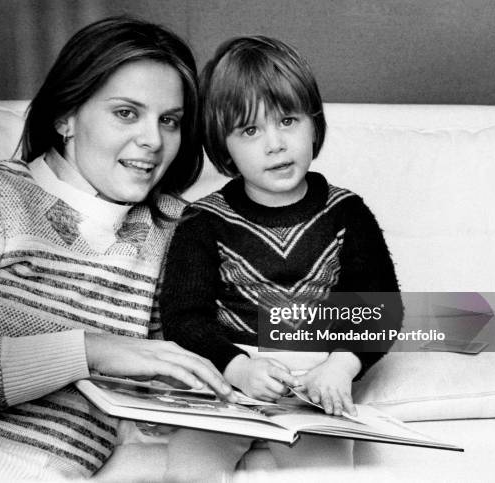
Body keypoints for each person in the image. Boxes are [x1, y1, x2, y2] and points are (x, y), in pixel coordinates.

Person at [0, 16, 236, 481]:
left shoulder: (176, 230)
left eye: (170, 121)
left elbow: (178, 376)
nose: (154, 141)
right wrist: (88, 350)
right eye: (126, 113)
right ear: (66, 116)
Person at [160, 36, 403, 480]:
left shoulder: (346, 212)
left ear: (314, 124)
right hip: (228, 382)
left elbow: (380, 308)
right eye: (250, 130)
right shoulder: (204, 220)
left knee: (324, 475)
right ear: (223, 145)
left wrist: (342, 364)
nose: (275, 144)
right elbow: (183, 317)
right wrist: (237, 366)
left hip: (315, 385)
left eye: (288, 120)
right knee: (186, 470)